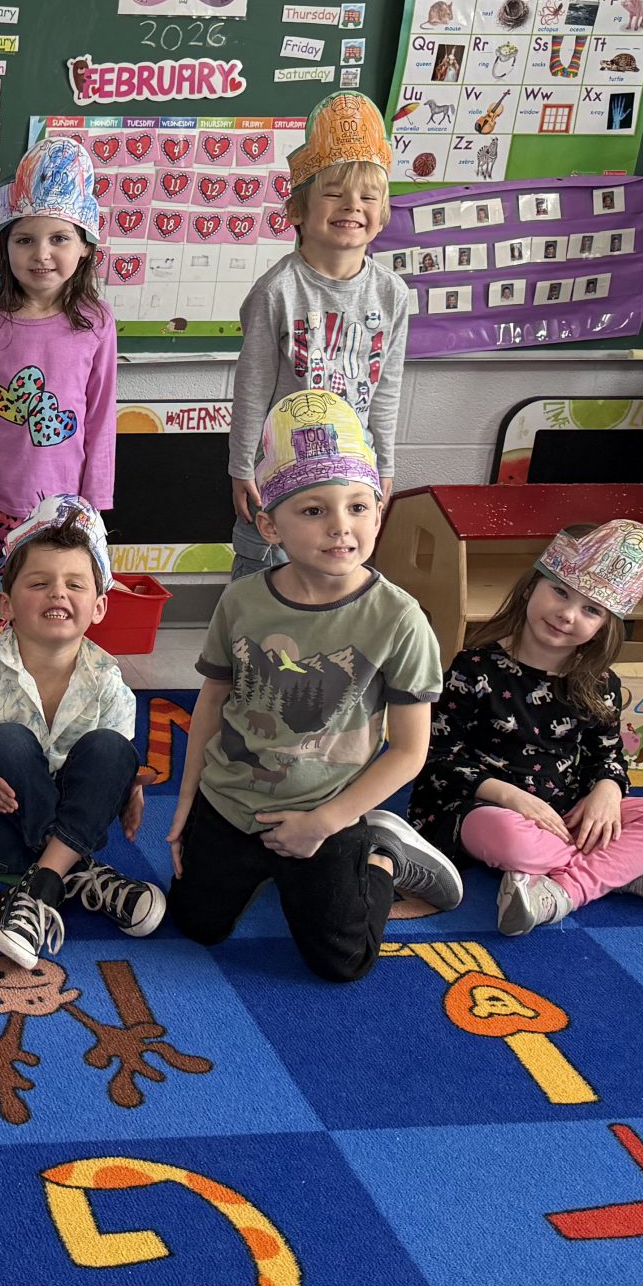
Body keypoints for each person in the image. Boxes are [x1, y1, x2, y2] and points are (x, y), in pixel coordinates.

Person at [164, 391, 464, 982]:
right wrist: (186, 803)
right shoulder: (242, 600)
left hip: (326, 808)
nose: (341, 528)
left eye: (358, 507)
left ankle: (381, 852)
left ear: (379, 513)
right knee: (196, 927)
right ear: (269, 524)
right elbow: (213, 702)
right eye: (314, 511)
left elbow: (409, 749)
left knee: (342, 962)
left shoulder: (400, 620)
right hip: (232, 800)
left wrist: (327, 823)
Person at [411, 518, 643, 935]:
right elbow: (437, 758)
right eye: (559, 591)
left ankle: (563, 889)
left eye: (590, 609)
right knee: (511, 836)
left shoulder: (600, 683)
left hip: (566, 814)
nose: (566, 614)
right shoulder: (475, 668)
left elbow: (609, 754)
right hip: (482, 810)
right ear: (531, 587)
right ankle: (621, 870)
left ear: (604, 626)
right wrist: (509, 797)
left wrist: (607, 792)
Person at [0, 496, 166, 969]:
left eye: (75, 585)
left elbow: (112, 764)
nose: (58, 594)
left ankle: (41, 885)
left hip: (62, 815)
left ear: (99, 607)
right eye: (39, 583)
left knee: (113, 748)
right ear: (6, 604)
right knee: (9, 740)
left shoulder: (108, 680)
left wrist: (125, 787)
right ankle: (74, 871)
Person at [0, 136, 116, 675]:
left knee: (50, 623)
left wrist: (95, 508)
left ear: (85, 246)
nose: (42, 254)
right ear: (5, 246)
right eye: (25, 239)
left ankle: (34, 717)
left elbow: (101, 419)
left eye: (59, 238)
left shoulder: (96, 323)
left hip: (60, 516)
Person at [226, 93, 413, 580]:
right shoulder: (277, 291)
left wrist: (385, 464)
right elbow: (252, 386)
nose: (353, 205)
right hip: (281, 469)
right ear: (297, 210)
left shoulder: (392, 294)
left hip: (351, 472)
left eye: (368, 197)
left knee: (335, 586)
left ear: (383, 213)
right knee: (263, 579)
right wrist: (241, 466)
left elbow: (387, 388)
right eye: (334, 193)